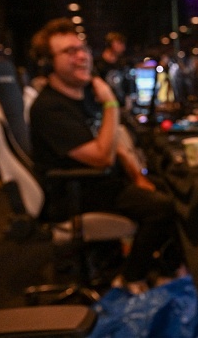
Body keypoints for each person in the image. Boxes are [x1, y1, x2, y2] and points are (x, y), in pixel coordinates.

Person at [29, 18, 182, 292]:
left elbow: (115, 145)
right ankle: (132, 276)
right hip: (76, 194)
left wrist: (137, 176)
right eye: (69, 51)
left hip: (102, 182)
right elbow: (102, 156)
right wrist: (111, 102)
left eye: (82, 49)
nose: (81, 56)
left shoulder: (83, 96)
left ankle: (167, 268)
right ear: (48, 63)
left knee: (177, 188)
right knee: (162, 208)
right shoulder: (49, 109)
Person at [93, 31, 132, 107]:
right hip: (103, 107)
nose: (123, 48)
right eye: (120, 43)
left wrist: (128, 100)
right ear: (110, 44)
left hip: (120, 107)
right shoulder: (97, 64)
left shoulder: (122, 64)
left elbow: (127, 85)